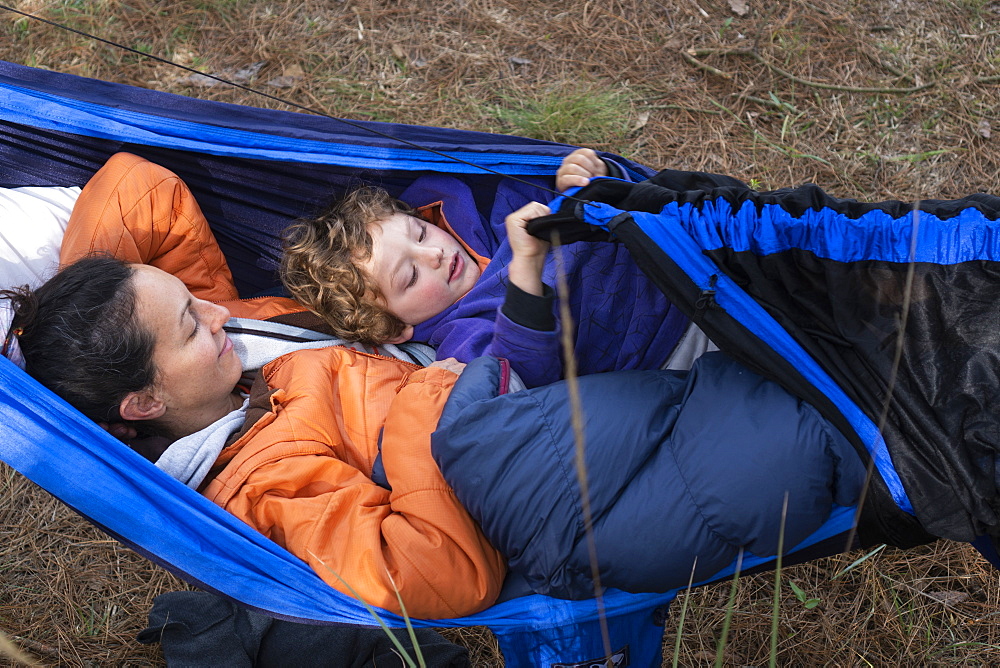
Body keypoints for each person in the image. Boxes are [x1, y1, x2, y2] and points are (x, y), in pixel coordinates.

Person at [2, 252, 864, 617]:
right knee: (835, 421)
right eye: (191, 325)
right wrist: (426, 402)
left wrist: (34, 321)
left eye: (196, 299)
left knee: (708, 283)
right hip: (535, 482)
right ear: (143, 405)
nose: (222, 313)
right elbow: (438, 576)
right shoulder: (262, 477)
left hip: (520, 398)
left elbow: (138, 185)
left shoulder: (238, 362)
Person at [280, 149, 739, 387]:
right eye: (411, 276)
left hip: (693, 259)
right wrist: (525, 268)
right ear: (394, 327)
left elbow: (604, 210)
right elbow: (523, 373)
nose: (433, 255)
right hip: (677, 346)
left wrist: (582, 179)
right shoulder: (462, 340)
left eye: (419, 235)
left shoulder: (497, 205)